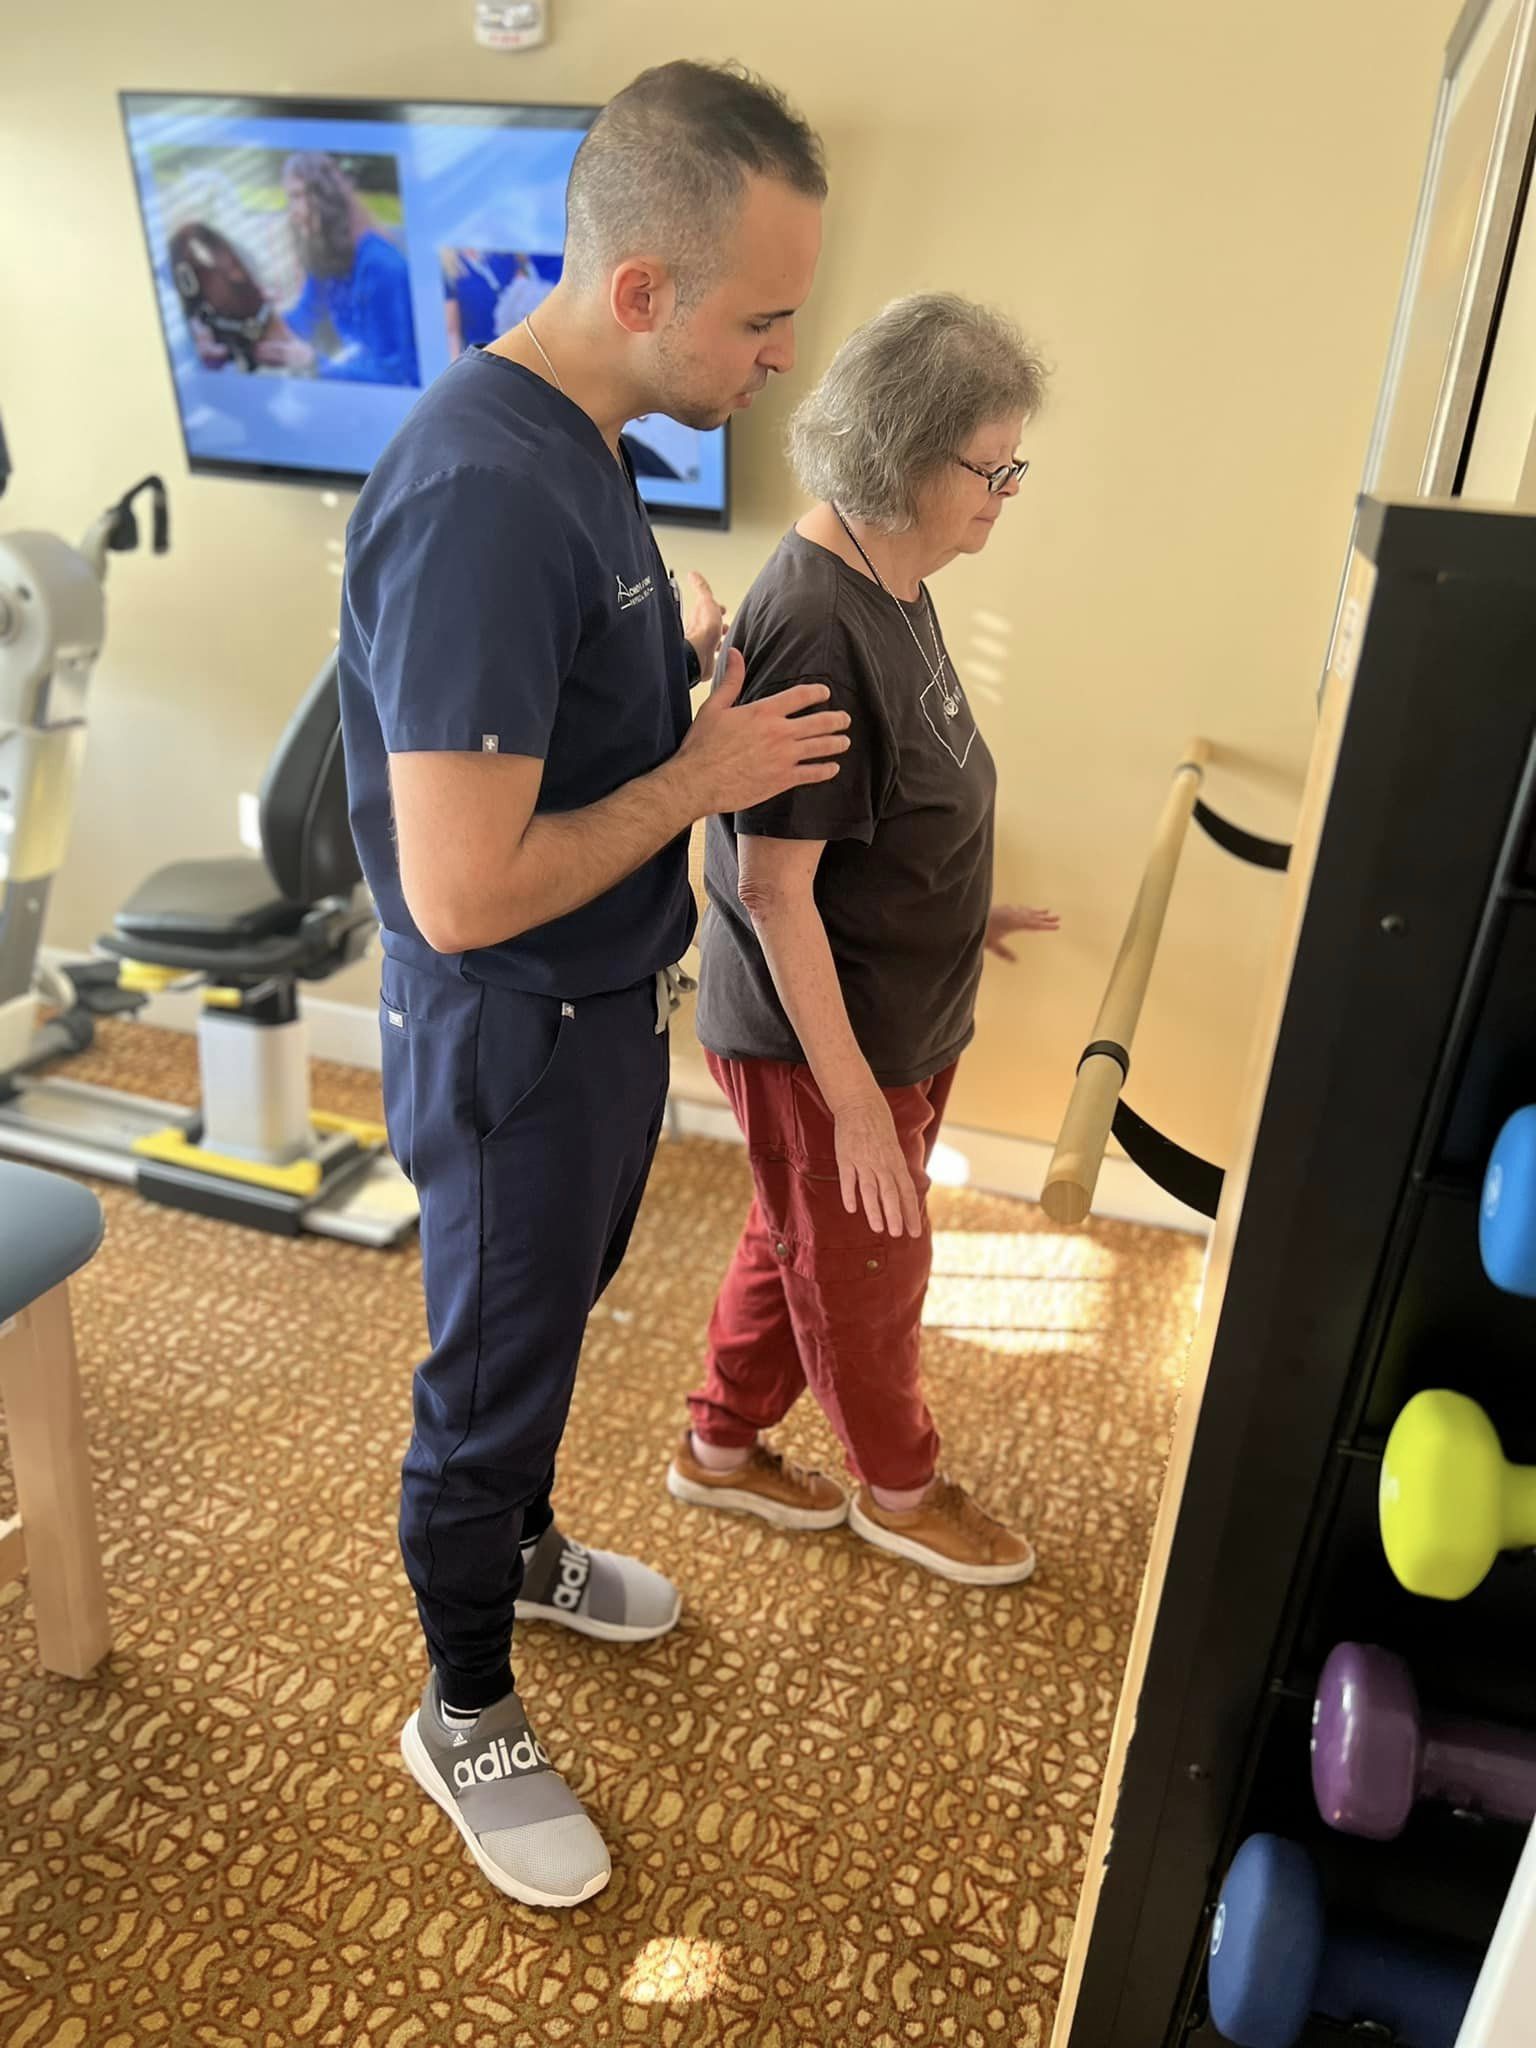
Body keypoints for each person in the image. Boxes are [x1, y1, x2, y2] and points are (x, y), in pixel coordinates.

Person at [338, 61, 836, 1911]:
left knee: (546, 1334)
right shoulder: (481, 492)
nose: (784, 353)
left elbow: (542, 727)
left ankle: (526, 1546)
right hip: (512, 1032)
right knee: (487, 1375)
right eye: (764, 316)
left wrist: (664, 668)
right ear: (645, 293)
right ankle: (462, 1700)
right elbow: (464, 893)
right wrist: (701, 775)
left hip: (600, 1013)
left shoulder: (580, 440)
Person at [672, 293, 1058, 1587]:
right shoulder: (819, 627)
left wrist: (959, 909)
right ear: (904, 455)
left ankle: (719, 1448)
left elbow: (886, 808)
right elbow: (777, 892)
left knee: (803, 1248)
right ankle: (900, 1489)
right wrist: (850, 1109)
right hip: (823, 1046)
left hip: (896, 1005)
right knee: (871, 1277)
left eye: (1016, 465)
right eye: (990, 468)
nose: (1007, 492)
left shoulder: (896, 576)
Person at [252, 152, 420, 385]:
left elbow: (395, 375)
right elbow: (304, 319)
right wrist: (259, 312)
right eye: (290, 198)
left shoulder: (381, 267)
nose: (293, 212)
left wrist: (315, 363)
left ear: (326, 197)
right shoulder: (327, 255)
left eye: (298, 196)